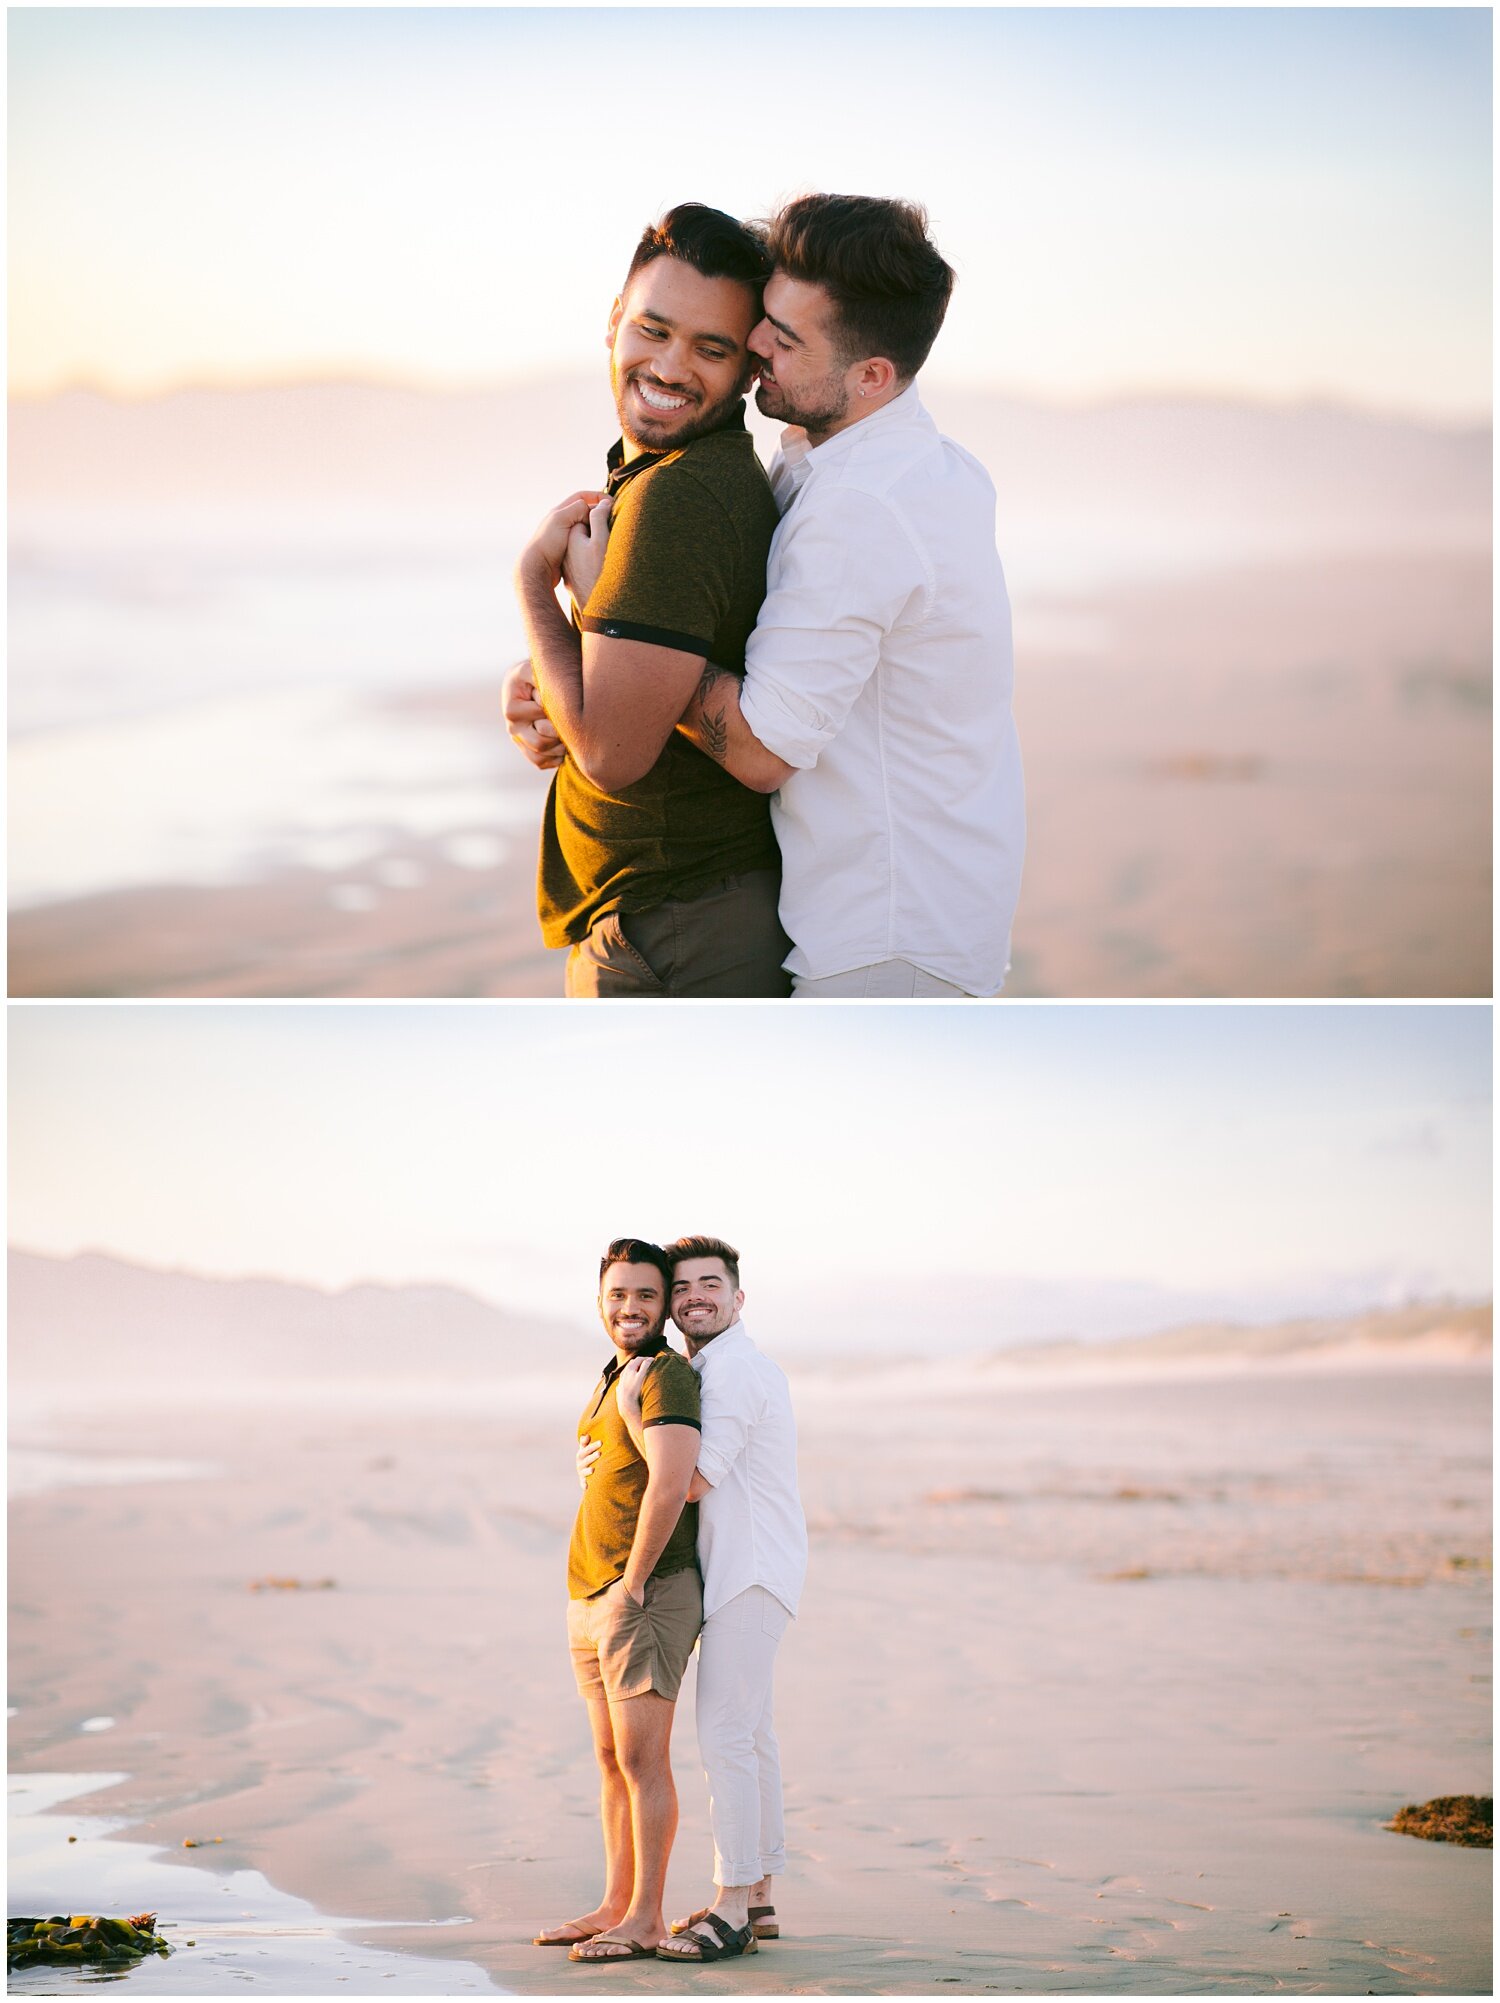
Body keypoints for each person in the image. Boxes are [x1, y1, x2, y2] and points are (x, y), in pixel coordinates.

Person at [505, 203, 789, 998]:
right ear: (613, 321)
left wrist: (531, 583)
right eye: (653, 330)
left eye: (710, 348)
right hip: (676, 923)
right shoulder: (663, 480)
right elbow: (643, 672)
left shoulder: (681, 496)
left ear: (747, 368)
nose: (669, 367)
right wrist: (545, 675)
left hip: (675, 935)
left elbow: (610, 754)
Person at [585, 1234, 807, 1963]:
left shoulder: (734, 1370)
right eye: (682, 1287)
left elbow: (687, 1480)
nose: (694, 1297)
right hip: (748, 1569)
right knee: (753, 1734)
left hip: (750, 1571)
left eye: (710, 1284)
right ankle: (760, 1894)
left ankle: (731, 1907)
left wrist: (629, 1414)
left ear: (738, 1298)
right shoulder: (715, 1365)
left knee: (725, 1735)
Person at [533, 1239, 703, 1964]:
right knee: (610, 1759)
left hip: (646, 1590)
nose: (629, 1307)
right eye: (617, 1294)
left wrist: (633, 1582)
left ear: (664, 1305)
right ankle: (614, 1903)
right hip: (590, 1592)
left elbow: (672, 1482)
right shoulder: (613, 1375)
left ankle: (647, 1919)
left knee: (642, 1759)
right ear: (600, 1301)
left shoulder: (665, 1374)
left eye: (645, 1295)